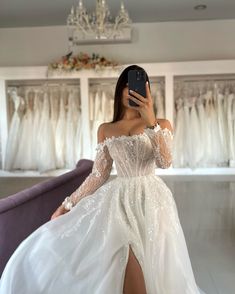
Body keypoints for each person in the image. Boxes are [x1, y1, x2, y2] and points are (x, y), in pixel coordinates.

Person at [0, 65, 205, 294]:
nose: (131, 91)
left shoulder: (161, 124)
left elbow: (165, 162)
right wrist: (66, 205)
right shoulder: (106, 129)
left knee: (156, 263)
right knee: (124, 255)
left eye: (137, 85)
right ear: (119, 91)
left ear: (146, 90)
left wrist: (151, 123)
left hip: (153, 202)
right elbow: (99, 174)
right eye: (127, 85)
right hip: (118, 204)